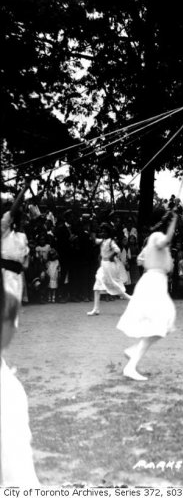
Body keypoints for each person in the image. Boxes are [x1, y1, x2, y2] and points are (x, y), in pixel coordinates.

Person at [1, 190, 40, 485]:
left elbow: (24, 260)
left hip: (15, 275)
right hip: (2, 274)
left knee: (11, 311)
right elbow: (11, 212)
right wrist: (21, 192)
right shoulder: (2, 228)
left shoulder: (21, 236)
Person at [117, 211, 178, 381]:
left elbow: (141, 259)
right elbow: (165, 241)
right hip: (153, 283)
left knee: (163, 325)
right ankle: (130, 366)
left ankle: (133, 351)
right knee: (160, 324)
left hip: (155, 281)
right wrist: (174, 223)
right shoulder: (158, 237)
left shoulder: (151, 240)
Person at [87, 223, 131, 315]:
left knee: (115, 287)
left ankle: (132, 299)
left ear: (108, 233)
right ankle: (96, 309)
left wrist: (111, 255)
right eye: (102, 231)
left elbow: (117, 250)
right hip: (103, 265)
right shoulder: (102, 241)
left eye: (104, 232)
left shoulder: (111, 241)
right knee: (97, 286)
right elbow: (94, 240)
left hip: (109, 266)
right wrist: (91, 229)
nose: (103, 233)